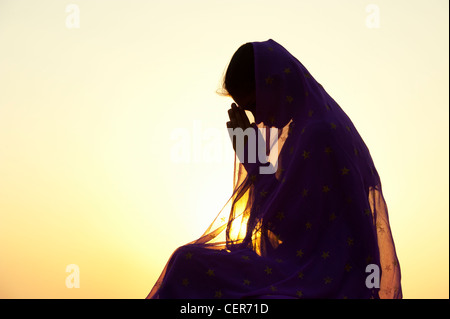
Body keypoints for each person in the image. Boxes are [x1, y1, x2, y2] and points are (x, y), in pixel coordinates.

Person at [146, 39, 402, 299]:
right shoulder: (307, 128)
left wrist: (255, 162)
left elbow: (292, 225)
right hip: (306, 267)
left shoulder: (318, 134)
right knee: (189, 262)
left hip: (322, 276)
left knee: (188, 265)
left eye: (255, 105)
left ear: (276, 86)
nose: (258, 119)